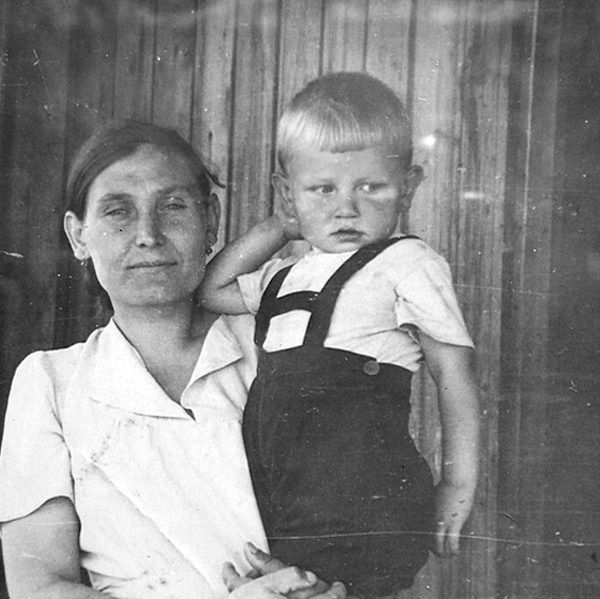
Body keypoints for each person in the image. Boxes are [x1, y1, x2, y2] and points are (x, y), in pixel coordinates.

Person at [0, 120, 346, 599]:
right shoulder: (52, 384)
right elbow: (38, 586)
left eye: (173, 206)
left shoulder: (278, 343)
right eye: (118, 211)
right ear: (78, 236)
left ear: (211, 221)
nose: (148, 235)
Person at [200, 72, 480, 596]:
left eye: (370, 186)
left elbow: (454, 372)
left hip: (366, 500)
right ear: (288, 192)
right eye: (322, 189)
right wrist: (279, 227)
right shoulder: (282, 274)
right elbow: (210, 290)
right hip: (286, 496)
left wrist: (457, 484)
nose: (346, 207)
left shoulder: (407, 263)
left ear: (408, 187)